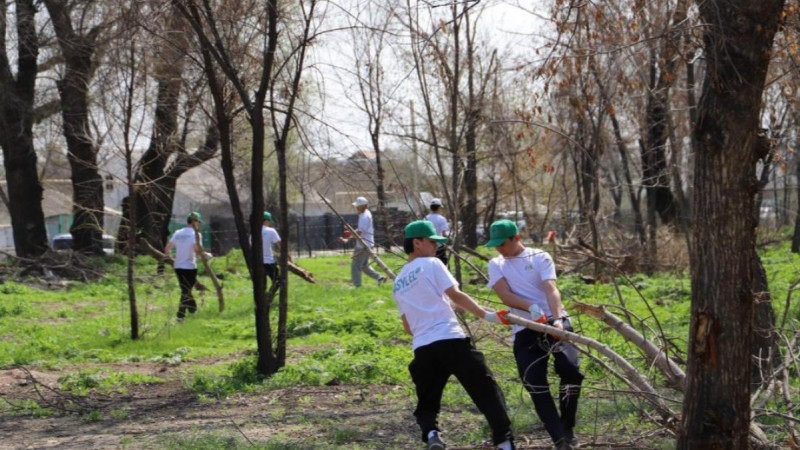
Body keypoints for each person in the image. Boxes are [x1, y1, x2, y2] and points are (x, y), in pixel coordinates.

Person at [393, 220, 516, 450]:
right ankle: (504, 442)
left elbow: (408, 327)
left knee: (427, 400)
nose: (436, 247)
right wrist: (487, 315)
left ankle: (432, 434)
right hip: (450, 339)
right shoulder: (432, 263)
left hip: (423, 348)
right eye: (432, 242)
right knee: (486, 390)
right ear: (417, 243)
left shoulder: (398, 282)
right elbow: (456, 295)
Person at [485, 219, 583, 450]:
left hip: (552, 320)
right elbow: (504, 295)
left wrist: (557, 320)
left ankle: (567, 427)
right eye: (495, 244)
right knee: (534, 381)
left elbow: (551, 288)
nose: (499, 248)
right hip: (524, 327)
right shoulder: (496, 264)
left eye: (502, 243)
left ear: (516, 238)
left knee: (570, 370)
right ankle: (559, 438)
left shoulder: (539, 257)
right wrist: (530, 307)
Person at [164, 212, 204, 322]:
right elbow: (196, 249)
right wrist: (203, 254)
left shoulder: (178, 233)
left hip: (178, 266)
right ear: (195, 222)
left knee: (186, 289)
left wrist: (171, 258)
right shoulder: (196, 234)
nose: (198, 224)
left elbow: (167, 248)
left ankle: (192, 309)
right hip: (190, 266)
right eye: (198, 222)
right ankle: (180, 315)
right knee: (186, 291)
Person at [339, 196, 386, 287]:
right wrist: (351, 232)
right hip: (367, 244)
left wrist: (347, 239)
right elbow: (360, 230)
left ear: (364, 206)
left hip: (363, 245)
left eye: (358, 206)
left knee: (355, 266)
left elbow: (359, 232)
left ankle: (357, 286)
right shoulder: (365, 214)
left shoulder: (364, 216)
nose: (356, 207)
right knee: (364, 266)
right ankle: (379, 278)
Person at [261, 211, 291, 290]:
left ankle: (263, 296)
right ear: (267, 220)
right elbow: (280, 244)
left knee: (261, 285)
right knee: (277, 282)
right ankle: (269, 296)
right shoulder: (271, 231)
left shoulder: (254, 232)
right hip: (269, 262)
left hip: (257, 263)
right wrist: (288, 256)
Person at [425, 198, 450, 266]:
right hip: (439, 246)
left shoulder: (425, 218)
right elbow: (444, 234)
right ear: (439, 208)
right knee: (441, 265)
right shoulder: (441, 219)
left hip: (427, 246)